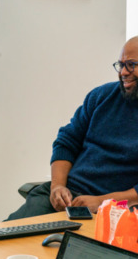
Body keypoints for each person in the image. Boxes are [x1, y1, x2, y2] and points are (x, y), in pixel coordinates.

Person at [7, 36, 138, 221]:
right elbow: (66, 142)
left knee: (68, 248)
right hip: (66, 197)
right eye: (121, 64)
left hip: (117, 210)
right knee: (2, 237)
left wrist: (101, 202)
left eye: (132, 65)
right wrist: (57, 187)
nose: (123, 72)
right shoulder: (102, 96)